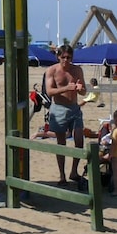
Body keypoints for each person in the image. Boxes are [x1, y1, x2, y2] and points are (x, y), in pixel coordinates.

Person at [43, 43, 86, 184]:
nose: (66, 60)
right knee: (61, 142)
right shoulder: (52, 70)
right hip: (59, 108)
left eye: (69, 57)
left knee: (79, 139)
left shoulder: (77, 70)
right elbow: (49, 91)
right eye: (64, 57)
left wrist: (80, 89)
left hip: (74, 108)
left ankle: (74, 171)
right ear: (58, 57)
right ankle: (62, 175)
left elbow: (84, 91)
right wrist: (66, 88)